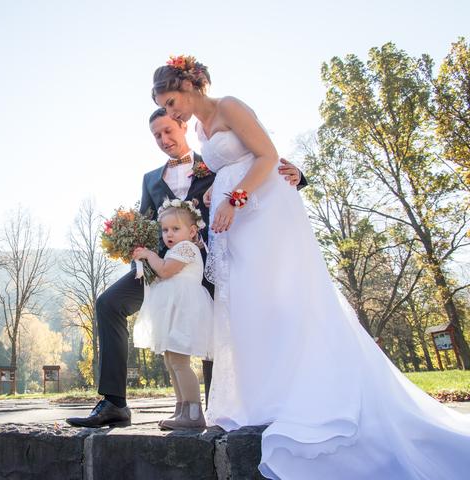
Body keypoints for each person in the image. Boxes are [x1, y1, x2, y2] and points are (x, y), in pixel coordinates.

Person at [152, 54, 470, 479]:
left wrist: (235, 198)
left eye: (171, 103)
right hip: (233, 218)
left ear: (189, 86)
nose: (172, 113)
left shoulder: (230, 107)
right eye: (166, 107)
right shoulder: (198, 127)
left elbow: (267, 156)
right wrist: (215, 194)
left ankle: (303, 390)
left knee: (278, 294)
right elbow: (231, 164)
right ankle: (265, 395)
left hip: (263, 211)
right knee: (247, 301)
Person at [65, 108, 305, 429]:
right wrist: (137, 256)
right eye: (156, 136)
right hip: (162, 267)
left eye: (168, 131)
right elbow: (146, 226)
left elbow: (254, 169)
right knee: (109, 303)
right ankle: (114, 403)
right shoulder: (150, 180)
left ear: (183, 125)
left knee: (216, 321)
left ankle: (215, 408)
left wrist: (296, 175)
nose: (163, 140)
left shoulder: (214, 164)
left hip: (206, 265)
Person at [132, 199, 214, 430]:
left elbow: (165, 271)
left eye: (175, 229)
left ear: (192, 231)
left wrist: (149, 254)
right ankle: (181, 409)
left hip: (184, 313)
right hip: (174, 312)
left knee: (179, 361)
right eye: (165, 229)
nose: (169, 234)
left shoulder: (187, 248)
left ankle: (194, 413)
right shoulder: (174, 250)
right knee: (171, 361)